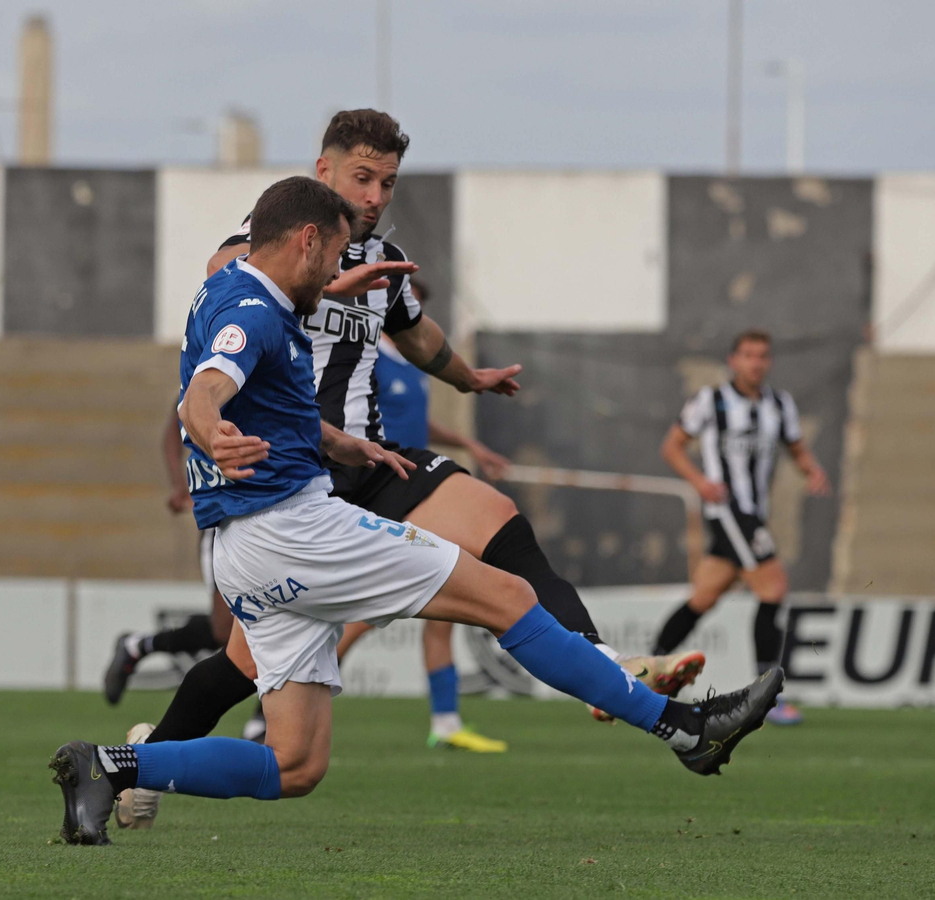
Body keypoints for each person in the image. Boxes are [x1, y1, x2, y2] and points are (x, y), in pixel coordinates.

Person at [49, 177, 784, 845]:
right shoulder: (254, 313)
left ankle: (110, 766)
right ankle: (686, 730)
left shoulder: (227, 291)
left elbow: (262, 395)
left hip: (242, 551)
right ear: (308, 240)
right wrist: (211, 434)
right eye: (335, 256)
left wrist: (340, 442)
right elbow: (203, 395)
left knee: (295, 763)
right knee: (509, 596)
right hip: (295, 530)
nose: (340, 274)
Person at [131, 109, 706, 756]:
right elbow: (224, 270)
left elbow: (419, 335)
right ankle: (145, 759)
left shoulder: (386, 260)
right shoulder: (282, 242)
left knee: (499, 520)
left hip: (373, 458)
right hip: (298, 473)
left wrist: (469, 378)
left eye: (389, 183)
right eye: (363, 177)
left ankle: (605, 662)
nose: (376, 196)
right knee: (236, 665)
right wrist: (329, 285)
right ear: (324, 171)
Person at [334, 276, 513, 752]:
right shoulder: (365, 354)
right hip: (387, 492)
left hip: (418, 485)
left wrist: (470, 444)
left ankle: (446, 720)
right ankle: (272, 714)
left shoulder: (410, 364)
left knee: (442, 608)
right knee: (365, 614)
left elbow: (419, 421)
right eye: (406, 307)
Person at [651, 330, 829, 726]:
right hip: (728, 510)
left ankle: (648, 673)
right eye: (748, 355)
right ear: (733, 361)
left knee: (704, 597)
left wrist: (811, 470)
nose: (756, 363)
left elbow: (795, 446)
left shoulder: (779, 405)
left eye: (763, 356)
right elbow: (672, 446)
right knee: (774, 587)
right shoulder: (710, 401)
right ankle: (766, 697)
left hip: (754, 513)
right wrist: (699, 483)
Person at [99, 404, 233, 708]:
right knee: (225, 630)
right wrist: (179, 483)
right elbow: (176, 425)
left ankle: (262, 725)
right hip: (224, 520)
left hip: (274, 517)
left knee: (255, 626)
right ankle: (138, 646)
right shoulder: (221, 366)